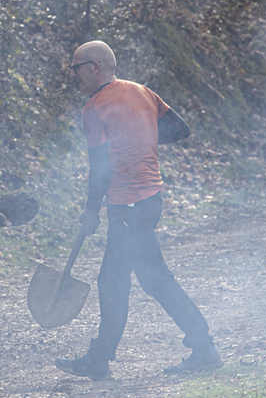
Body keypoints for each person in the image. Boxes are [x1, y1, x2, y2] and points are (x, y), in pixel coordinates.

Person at [54, 40, 221, 380]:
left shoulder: (94, 109)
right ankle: (102, 357)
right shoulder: (143, 91)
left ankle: (202, 348)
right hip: (148, 201)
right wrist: (139, 137)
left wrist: (90, 211)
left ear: (95, 67)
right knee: (122, 279)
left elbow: (98, 168)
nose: (73, 76)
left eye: (76, 68)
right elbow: (180, 129)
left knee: (147, 279)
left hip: (128, 206)